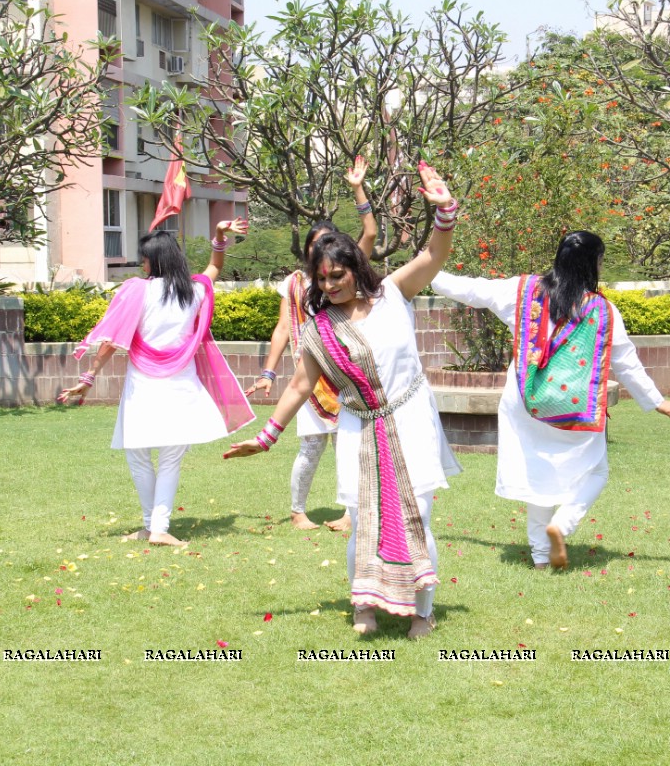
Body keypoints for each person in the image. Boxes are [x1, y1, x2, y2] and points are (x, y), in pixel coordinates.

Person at [225, 162, 460, 641]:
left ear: (356, 269)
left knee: (419, 515)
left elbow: (434, 257)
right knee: (363, 520)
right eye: (322, 279)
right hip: (359, 427)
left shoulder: (394, 295)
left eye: (338, 275)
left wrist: (445, 211)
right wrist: (267, 437)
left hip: (411, 421)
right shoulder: (318, 330)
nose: (330, 285)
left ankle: (422, 612)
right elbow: (298, 386)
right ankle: (365, 606)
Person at [430, 232, 670, 570]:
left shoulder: (521, 292)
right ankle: (561, 526)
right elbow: (626, 362)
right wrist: (657, 401)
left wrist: (424, 270)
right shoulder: (603, 311)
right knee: (596, 472)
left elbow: (471, 289)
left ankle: (540, 558)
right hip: (574, 409)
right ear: (592, 264)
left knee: (538, 479)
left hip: (526, 404)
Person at [61, 219, 254, 546]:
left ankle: (155, 526)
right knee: (170, 457)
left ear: (156, 261)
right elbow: (215, 266)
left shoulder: (139, 289)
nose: (142, 264)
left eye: (145, 258)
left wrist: (88, 377)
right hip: (181, 384)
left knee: (137, 453)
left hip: (144, 386)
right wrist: (220, 235)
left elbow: (113, 340)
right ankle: (156, 528)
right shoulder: (194, 290)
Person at [246, 156, 378, 531]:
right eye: (314, 247)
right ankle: (297, 511)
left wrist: (358, 189)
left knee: (347, 448)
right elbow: (283, 328)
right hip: (309, 377)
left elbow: (369, 234)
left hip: (345, 376)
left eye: (328, 246)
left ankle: (351, 512)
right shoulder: (294, 285)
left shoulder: (344, 276)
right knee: (310, 448)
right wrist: (269, 372)